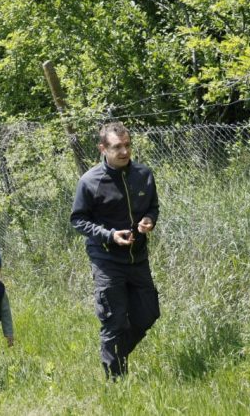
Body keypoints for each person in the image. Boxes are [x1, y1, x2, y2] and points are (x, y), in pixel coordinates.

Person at [70, 121, 160, 380]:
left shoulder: (143, 174)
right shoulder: (90, 181)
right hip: (106, 259)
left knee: (149, 313)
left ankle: (115, 354)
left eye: (127, 145)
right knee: (114, 320)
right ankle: (116, 382)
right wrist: (110, 235)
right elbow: (78, 220)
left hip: (138, 257)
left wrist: (149, 220)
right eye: (117, 147)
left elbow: (153, 207)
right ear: (103, 149)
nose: (124, 152)